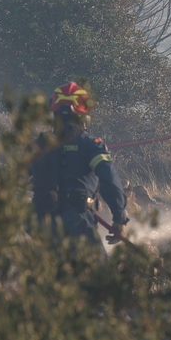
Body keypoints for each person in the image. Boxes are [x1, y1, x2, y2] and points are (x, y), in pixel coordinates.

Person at [30, 81, 129, 249]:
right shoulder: (91, 144)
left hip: (42, 224)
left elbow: (13, 179)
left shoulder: (39, 144)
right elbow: (109, 179)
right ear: (83, 115)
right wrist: (119, 217)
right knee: (96, 273)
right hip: (78, 222)